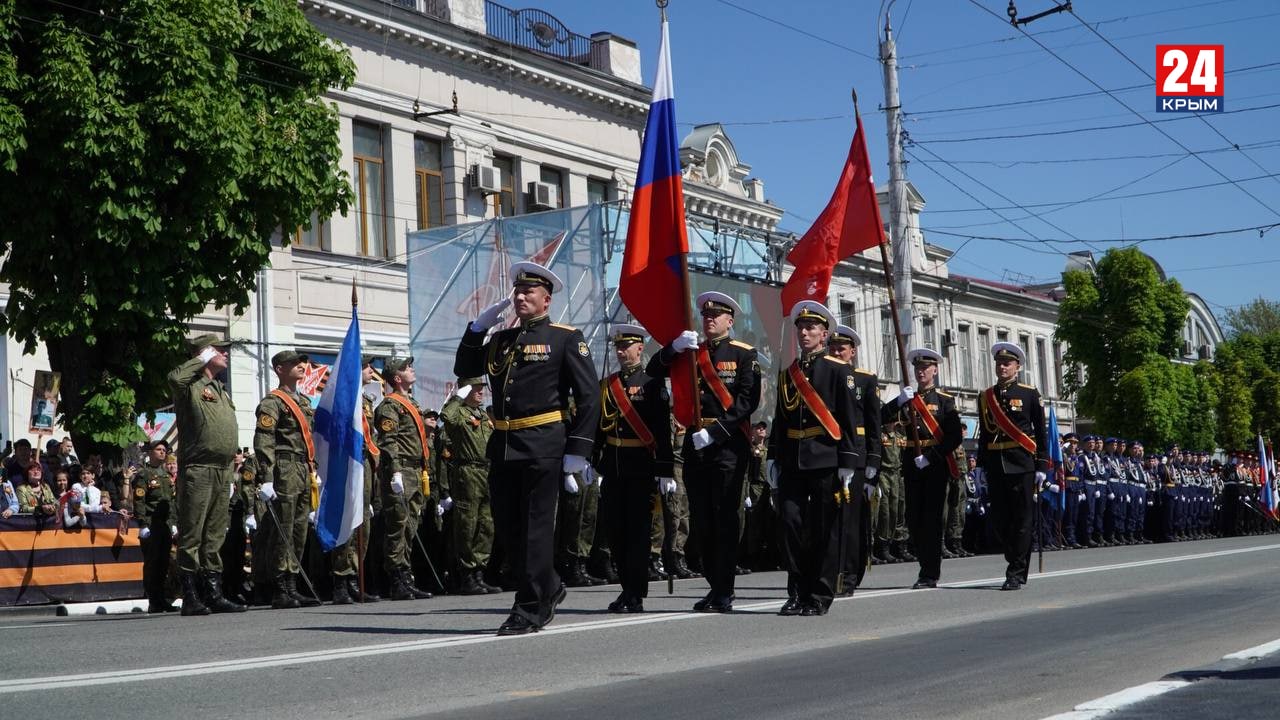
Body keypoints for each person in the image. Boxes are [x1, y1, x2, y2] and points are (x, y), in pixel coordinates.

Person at [454, 261, 600, 635]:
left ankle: (530, 607)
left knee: (536, 528)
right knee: (509, 529)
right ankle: (549, 585)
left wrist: (578, 449)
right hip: (503, 444)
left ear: (546, 299)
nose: (520, 297)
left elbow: (588, 397)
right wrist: (477, 329)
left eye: (528, 292)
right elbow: (465, 366)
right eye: (517, 291)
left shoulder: (566, 338)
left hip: (543, 443)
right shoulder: (502, 340)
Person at [646, 291, 761, 613]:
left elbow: (746, 401)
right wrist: (673, 349)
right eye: (706, 315)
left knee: (725, 517)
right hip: (695, 443)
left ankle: (725, 588)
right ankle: (714, 585)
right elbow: (653, 370)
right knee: (703, 520)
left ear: (730, 321)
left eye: (717, 315)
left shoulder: (743, 355)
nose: (710, 319)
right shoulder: (689, 352)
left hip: (726, 444)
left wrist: (715, 432)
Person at [768, 301, 863, 616]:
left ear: (824, 334)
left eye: (811, 328)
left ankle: (819, 595)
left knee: (824, 529)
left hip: (825, 459)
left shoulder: (838, 370)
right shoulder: (788, 373)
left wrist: (848, 461)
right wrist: (772, 456)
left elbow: (849, 420)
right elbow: (781, 420)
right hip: (793, 460)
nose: (804, 333)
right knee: (790, 523)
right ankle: (796, 590)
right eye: (801, 328)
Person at [592, 323, 674, 613]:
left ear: (640, 348)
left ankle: (635, 593)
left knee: (637, 534)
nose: (621, 351)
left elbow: (663, 429)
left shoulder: (652, 382)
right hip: (614, 467)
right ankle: (625, 588)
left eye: (627, 346)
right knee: (616, 532)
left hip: (641, 467)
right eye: (618, 346)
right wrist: (593, 462)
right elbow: (599, 428)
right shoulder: (608, 384)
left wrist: (665, 470)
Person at [168, 333, 246, 616]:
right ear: (205, 353)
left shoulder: (220, 389)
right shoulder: (190, 386)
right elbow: (174, 378)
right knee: (193, 533)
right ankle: (190, 595)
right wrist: (200, 358)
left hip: (223, 470)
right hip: (199, 468)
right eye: (220, 350)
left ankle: (213, 592)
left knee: (215, 534)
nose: (226, 354)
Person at [885, 348, 962, 589]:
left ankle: (929, 572)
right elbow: (879, 416)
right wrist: (898, 400)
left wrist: (931, 457)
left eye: (926, 368)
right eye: (917, 368)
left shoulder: (944, 400)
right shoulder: (908, 398)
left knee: (931, 520)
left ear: (935, 370)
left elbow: (954, 436)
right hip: (910, 462)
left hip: (934, 465)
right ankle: (924, 563)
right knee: (913, 520)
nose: (921, 372)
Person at [253, 349, 323, 610]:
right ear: (280, 369)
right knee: (283, 526)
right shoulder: (273, 402)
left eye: (301, 362)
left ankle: (292, 583)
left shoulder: (304, 402)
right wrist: (268, 476)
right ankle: (280, 586)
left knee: (298, 527)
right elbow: (264, 440)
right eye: (293, 363)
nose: (300, 366)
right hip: (284, 466)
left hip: (303, 468)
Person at [977, 342, 1048, 591]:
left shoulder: (1029, 394)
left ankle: (1016, 572)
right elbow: (984, 436)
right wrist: (981, 466)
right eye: (999, 363)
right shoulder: (986, 397)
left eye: (1007, 363)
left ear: (1017, 367)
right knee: (999, 520)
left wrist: (1042, 466)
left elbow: (1041, 432)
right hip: (996, 465)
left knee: (1022, 520)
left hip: (1022, 464)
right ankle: (1015, 557)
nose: (1002, 366)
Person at [374, 356, 435, 602]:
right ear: (397, 378)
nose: (411, 369)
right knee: (397, 526)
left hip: (415, 470)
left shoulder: (413, 403)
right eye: (406, 368)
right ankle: (396, 579)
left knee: (410, 527)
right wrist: (396, 471)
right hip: (400, 471)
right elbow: (389, 441)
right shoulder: (390, 406)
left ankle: (406, 576)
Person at [827, 324, 882, 589]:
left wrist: (874, 462)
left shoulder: (865, 379)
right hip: (829, 452)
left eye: (842, 348)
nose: (837, 352)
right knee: (831, 517)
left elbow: (874, 425)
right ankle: (831, 572)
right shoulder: (823, 374)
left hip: (857, 454)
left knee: (851, 519)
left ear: (853, 352)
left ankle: (849, 575)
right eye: (833, 348)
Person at [329, 356, 383, 603]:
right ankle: (341, 580)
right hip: (350, 463)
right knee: (348, 522)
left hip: (366, 466)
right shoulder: (343, 399)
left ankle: (354, 578)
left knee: (364, 524)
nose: (371, 371)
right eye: (365, 366)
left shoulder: (366, 401)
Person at [440, 375, 500, 596]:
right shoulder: (459, 413)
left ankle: (479, 572)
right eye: (475, 388)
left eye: (481, 387)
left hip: (486, 471)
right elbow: (446, 416)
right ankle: (466, 574)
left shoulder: (482, 414)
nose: (480, 391)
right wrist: (458, 396)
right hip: (467, 472)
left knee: (486, 525)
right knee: (468, 524)